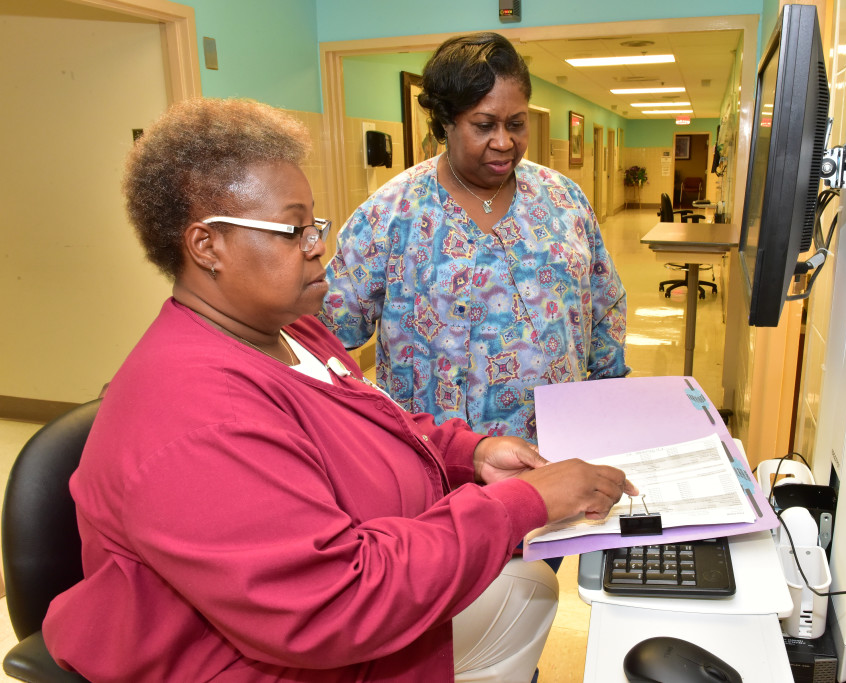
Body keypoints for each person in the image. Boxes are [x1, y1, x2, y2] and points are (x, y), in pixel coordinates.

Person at [41, 98, 635, 682]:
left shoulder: (290, 333)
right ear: (207, 246)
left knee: (524, 587)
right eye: (292, 229)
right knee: (522, 591)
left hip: (343, 590)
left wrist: (470, 454)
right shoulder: (200, 413)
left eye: (314, 224)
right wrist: (524, 503)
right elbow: (332, 603)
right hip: (256, 654)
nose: (317, 244)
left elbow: (376, 421)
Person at [320, 32, 629, 444]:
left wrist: (607, 400)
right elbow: (326, 335)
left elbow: (607, 304)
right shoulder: (390, 214)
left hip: (555, 448)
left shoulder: (563, 200)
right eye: (484, 125)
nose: (504, 142)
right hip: (436, 457)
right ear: (445, 122)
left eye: (516, 124)